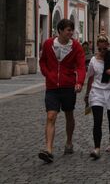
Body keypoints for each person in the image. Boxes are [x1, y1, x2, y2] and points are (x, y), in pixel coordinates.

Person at [38, 18, 86, 163]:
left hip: (68, 86)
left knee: (69, 114)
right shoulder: (48, 44)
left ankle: (69, 141)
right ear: (60, 31)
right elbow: (43, 61)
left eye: (72, 30)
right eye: (68, 30)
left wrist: (79, 82)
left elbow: (81, 66)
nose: (71, 33)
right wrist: (48, 74)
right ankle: (48, 149)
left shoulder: (76, 46)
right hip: (52, 87)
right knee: (51, 116)